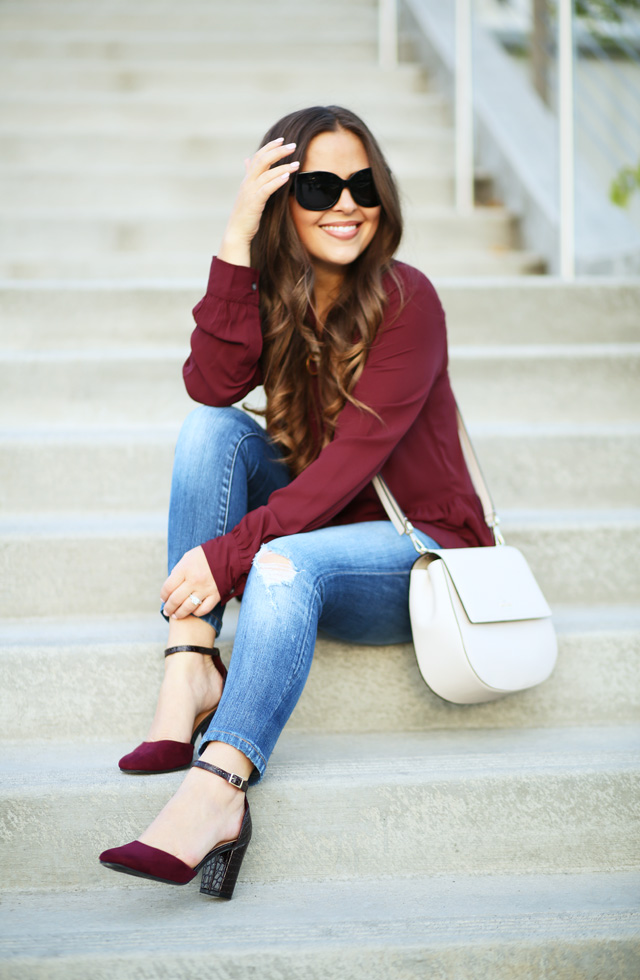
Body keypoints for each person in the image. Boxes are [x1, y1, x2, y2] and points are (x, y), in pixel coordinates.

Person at [99, 105, 493, 898]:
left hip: (416, 555)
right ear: (283, 198)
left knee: (279, 564)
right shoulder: (278, 293)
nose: (345, 203)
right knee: (210, 430)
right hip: (318, 530)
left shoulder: (408, 300)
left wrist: (231, 552)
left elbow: (349, 468)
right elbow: (210, 385)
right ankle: (191, 659)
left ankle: (220, 785)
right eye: (318, 186)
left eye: (362, 185)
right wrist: (238, 235)